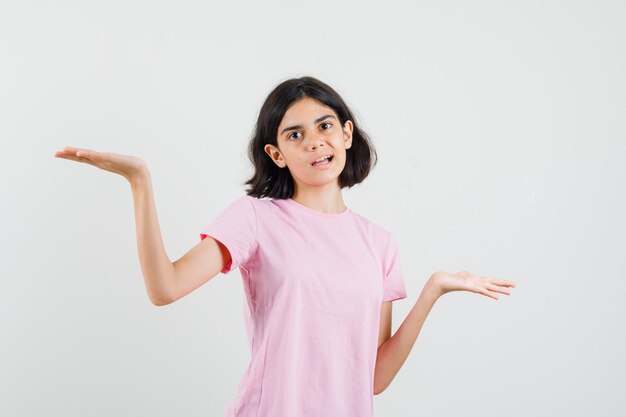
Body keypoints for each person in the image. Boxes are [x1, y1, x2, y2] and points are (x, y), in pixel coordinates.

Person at [54, 76, 516, 417]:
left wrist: (433, 289)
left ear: (347, 134)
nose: (315, 142)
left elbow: (371, 379)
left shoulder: (379, 244)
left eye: (325, 126)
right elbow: (165, 287)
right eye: (295, 134)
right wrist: (140, 182)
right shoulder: (256, 218)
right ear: (277, 154)